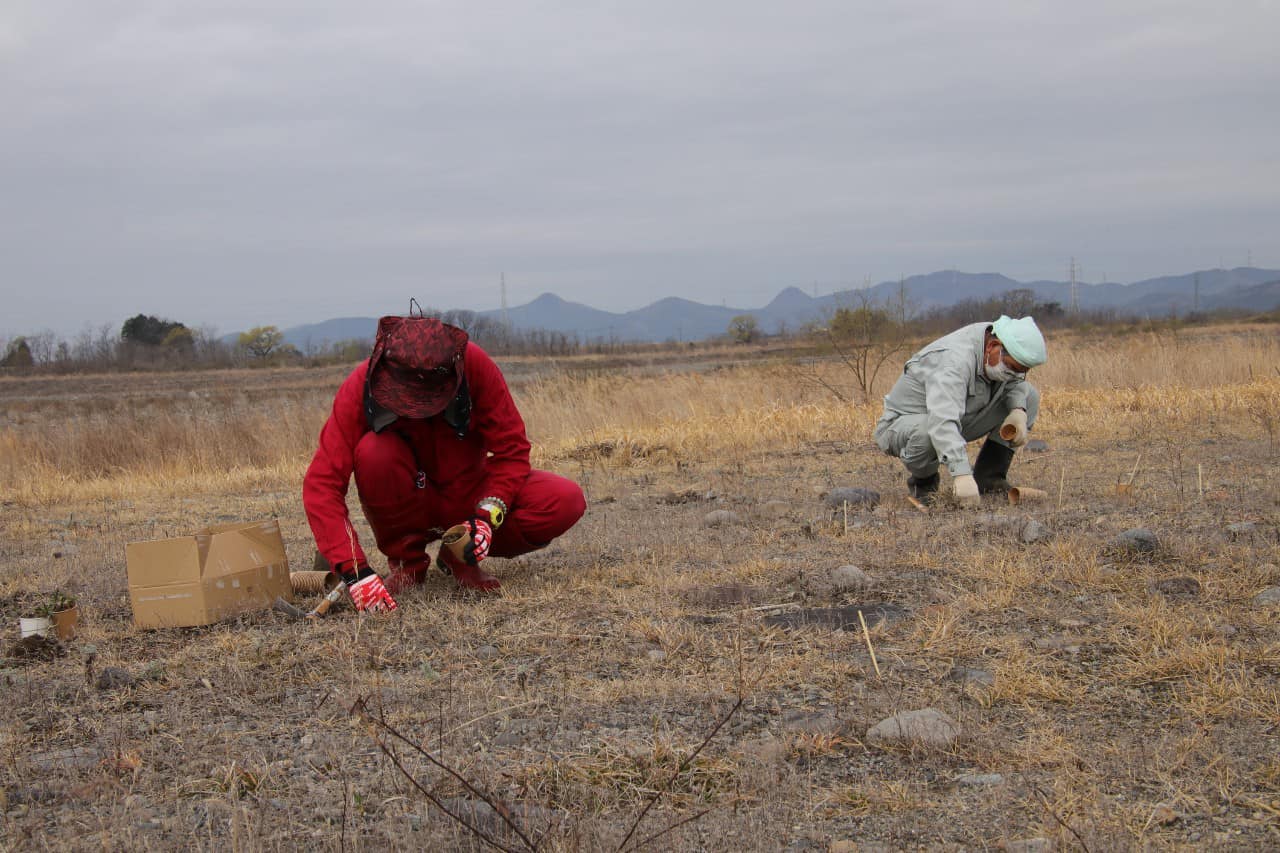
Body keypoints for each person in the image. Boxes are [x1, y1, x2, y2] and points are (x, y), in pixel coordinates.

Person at [302, 313, 586, 611]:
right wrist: (356, 572)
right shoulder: (361, 385)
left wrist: (487, 517)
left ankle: (459, 556)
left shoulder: (475, 366)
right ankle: (406, 564)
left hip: (467, 490)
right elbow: (322, 484)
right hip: (403, 495)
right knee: (374, 452)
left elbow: (512, 452)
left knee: (563, 500)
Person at [873, 315, 1046, 505]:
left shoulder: (995, 344)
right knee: (926, 431)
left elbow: (1015, 384)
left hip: (960, 416)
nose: (1014, 375)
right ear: (992, 346)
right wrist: (961, 474)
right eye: (1012, 367)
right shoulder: (954, 362)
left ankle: (989, 478)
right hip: (904, 424)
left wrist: (1018, 410)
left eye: (1021, 371)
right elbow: (942, 420)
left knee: (1029, 396)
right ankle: (924, 483)